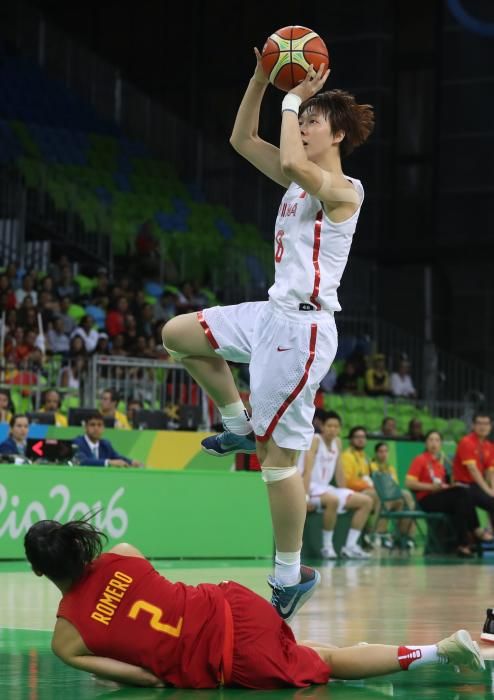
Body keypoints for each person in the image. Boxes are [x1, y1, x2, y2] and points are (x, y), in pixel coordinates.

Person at [162, 53, 374, 618]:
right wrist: (261, 78)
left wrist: (290, 97)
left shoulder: (343, 189)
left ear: (338, 134)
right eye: (300, 119)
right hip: (269, 313)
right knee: (179, 334)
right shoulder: (295, 177)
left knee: (276, 460)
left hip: (303, 329)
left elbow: (292, 160)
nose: (302, 125)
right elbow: (239, 138)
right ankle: (235, 422)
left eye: (312, 120)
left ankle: (289, 573)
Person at [24, 518, 484, 689]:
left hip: (230, 657)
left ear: (40, 571)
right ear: (78, 544)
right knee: (304, 649)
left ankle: (440, 650)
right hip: (233, 604)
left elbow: (149, 679)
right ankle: (354, 644)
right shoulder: (122, 552)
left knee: (326, 661)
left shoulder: (67, 640)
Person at [406, 430, 493, 557]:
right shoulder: (420, 460)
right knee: (461, 495)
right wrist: (431, 487)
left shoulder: (440, 463)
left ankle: (464, 544)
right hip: (426, 499)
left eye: (437, 440)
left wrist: (450, 486)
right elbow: (409, 483)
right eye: (430, 440)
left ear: (441, 443)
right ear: (426, 443)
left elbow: (442, 484)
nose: (434, 443)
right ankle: (475, 531)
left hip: (439, 496)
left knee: (464, 492)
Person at [299, 411, 373, 559]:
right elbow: (306, 471)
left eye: (336, 426)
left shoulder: (337, 442)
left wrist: (345, 492)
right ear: (323, 427)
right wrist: (304, 498)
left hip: (325, 488)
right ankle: (327, 547)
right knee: (333, 500)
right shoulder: (315, 440)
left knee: (366, 501)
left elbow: (339, 472)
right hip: (307, 486)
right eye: (329, 426)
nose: (333, 429)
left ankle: (350, 546)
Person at [452, 412, 494, 529]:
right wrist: (488, 491)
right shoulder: (467, 442)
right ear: (473, 426)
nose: (483, 426)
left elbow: (491, 472)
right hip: (464, 486)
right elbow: (473, 470)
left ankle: (489, 531)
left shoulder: (489, 446)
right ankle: (483, 533)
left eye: (486, 423)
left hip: (477, 486)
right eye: (479, 423)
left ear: (490, 426)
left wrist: (492, 489)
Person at [370, 442, 416, 548]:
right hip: (379, 493)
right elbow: (379, 484)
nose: (384, 454)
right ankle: (379, 532)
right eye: (381, 452)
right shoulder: (372, 466)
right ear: (376, 453)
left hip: (391, 493)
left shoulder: (390, 468)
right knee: (386, 498)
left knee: (407, 496)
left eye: (386, 451)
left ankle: (405, 533)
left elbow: (395, 486)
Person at [72, 412, 141, 467]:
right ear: (85, 427)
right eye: (92, 425)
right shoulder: (77, 442)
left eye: (99, 425)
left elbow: (117, 457)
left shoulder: (105, 444)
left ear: (103, 428)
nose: (96, 428)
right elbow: (82, 461)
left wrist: (131, 462)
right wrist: (108, 462)